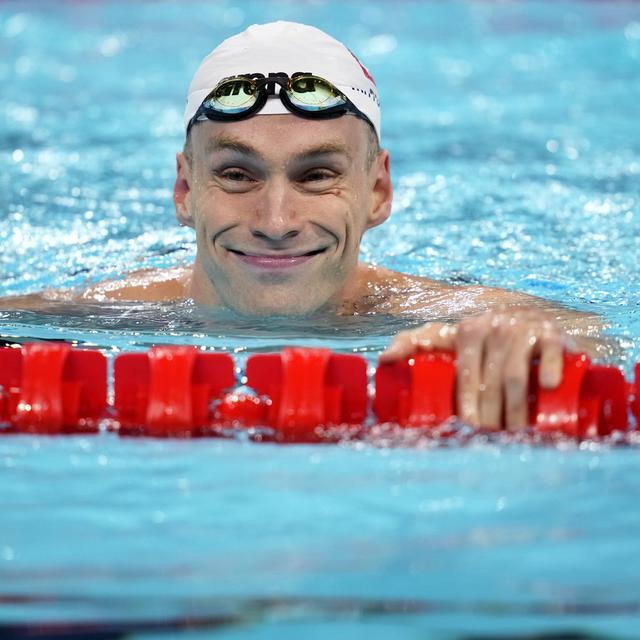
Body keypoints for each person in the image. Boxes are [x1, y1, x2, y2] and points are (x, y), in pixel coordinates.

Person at [1, 21, 607, 430]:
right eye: (238, 175)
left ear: (377, 191)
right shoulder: (85, 316)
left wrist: (537, 351)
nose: (276, 221)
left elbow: (601, 343)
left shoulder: (444, 317)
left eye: (317, 175)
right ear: (185, 190)